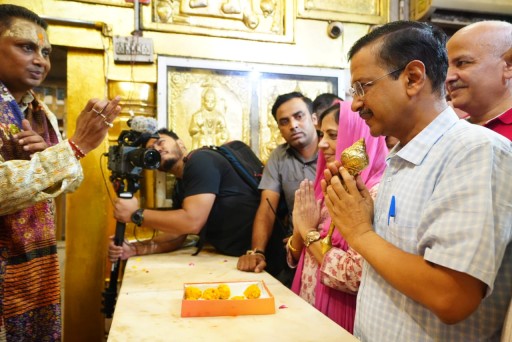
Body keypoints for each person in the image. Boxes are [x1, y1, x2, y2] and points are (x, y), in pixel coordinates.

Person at [322, 21, 512, 341]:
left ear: (412, 78)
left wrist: (360, 232)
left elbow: (451, 297)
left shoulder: (476, 151)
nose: (355, 104)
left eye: (363, 86)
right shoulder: (401, 156)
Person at [0, 4, 121, 340]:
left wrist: (55, 156)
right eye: (26, 47)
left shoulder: (40, 113)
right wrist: (72, 148)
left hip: (37, 263)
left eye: (46, 51)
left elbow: (72, 179)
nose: (41, 59)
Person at [288, 101, 388, 332]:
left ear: (358, 139)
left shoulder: (374, 194)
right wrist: (298, 230)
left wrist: (306, 231)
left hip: (343, 316)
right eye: (322, 134)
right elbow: (296, 255)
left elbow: (353, 276)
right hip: (311, 306)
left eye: (333, 135)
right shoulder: (328, 189)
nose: (322, 143)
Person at [109, 128, 267, 261]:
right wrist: (134, 249)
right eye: (150, 151)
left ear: (180, 143)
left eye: (160, 142)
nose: (156, 149)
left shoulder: (201, 159)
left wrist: (136, 214)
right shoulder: (181, 185)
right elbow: (177, 235)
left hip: (265, 256)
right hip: (240, 257)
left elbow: (192, 221)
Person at [236, 92, 318, 285]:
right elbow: (266, 208)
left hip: (331, 247)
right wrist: (257, 252)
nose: (293, 125)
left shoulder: (333, 148)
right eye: (284, 121)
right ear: (279, 129)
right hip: (295, 251)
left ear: (314, 118)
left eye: (299, 116)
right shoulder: (279, 157)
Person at [446, 20, 512, 140]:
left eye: (462, 63)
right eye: (445, 68)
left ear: (508, 66)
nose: (447, 78)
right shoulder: (451, 130)